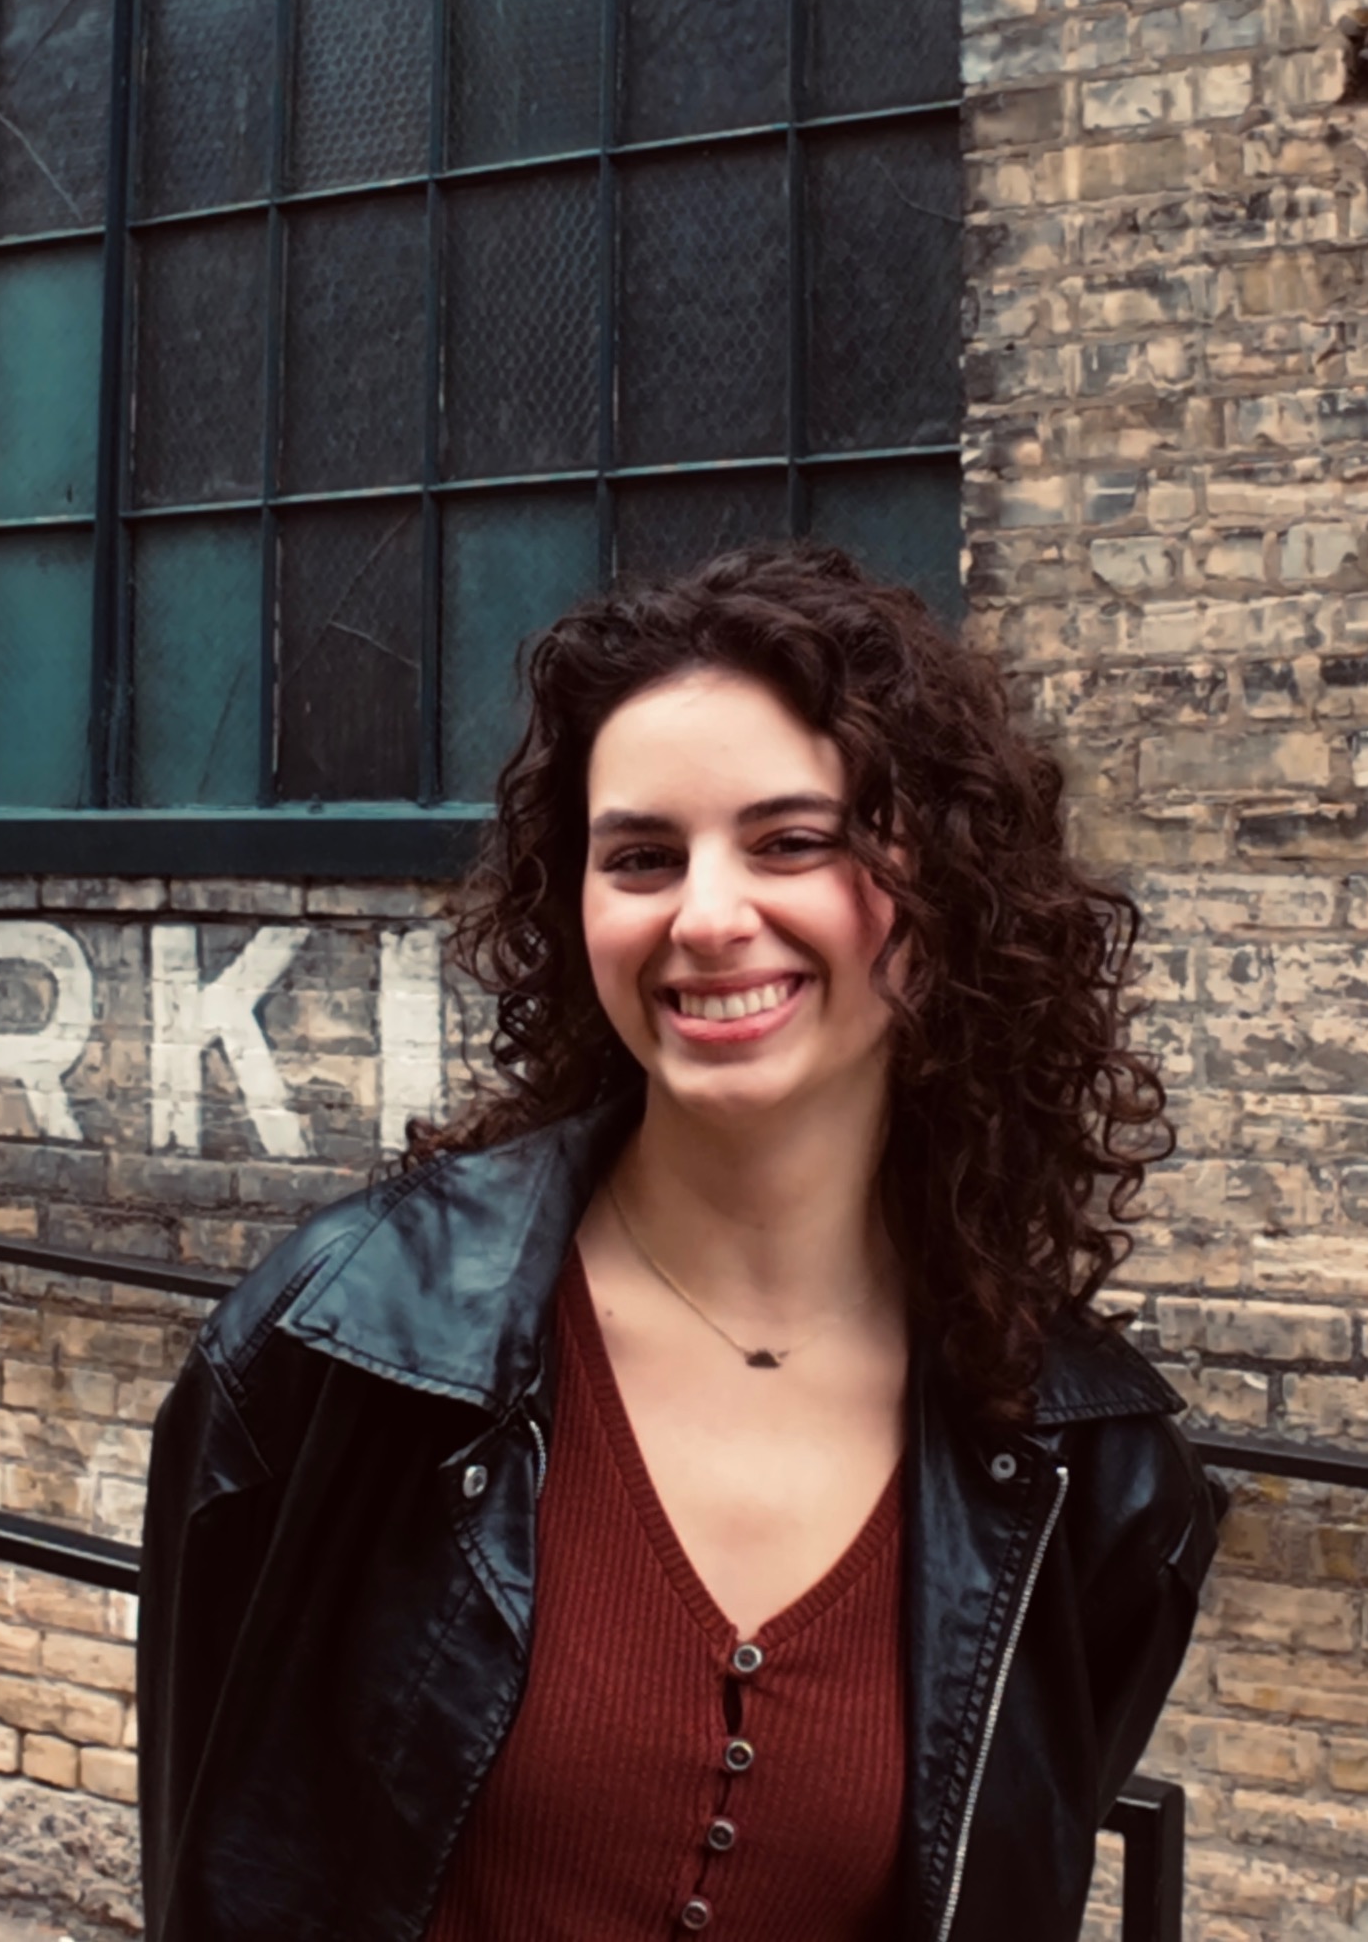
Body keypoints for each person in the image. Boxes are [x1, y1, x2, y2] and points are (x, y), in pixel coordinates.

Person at [138, 543, 1224, 1942]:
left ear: (948, 889)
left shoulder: (1094, 1479)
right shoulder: (336, 1350)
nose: (707, 918)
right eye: (642, 858)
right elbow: (221, 1872)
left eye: (793, 842)